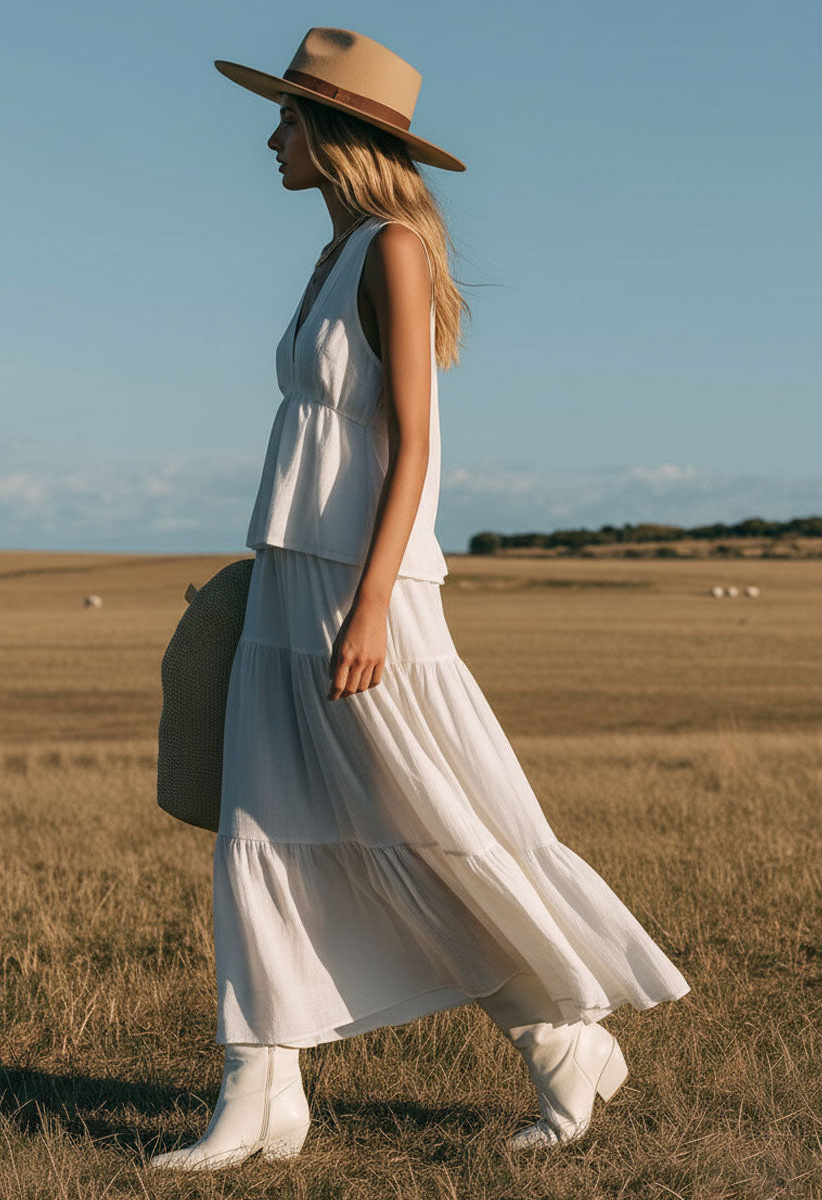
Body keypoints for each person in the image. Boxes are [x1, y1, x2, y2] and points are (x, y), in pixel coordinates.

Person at [150, 27, 690, 1172]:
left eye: (288, 118)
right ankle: (261, 1093)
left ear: (335, 133)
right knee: (264, 825)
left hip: (362, 584)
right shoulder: (332, 256)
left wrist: (378, 601)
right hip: (295, 576)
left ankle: (561, 1035)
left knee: (433, 821)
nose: (271, 137)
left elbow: (414, 444)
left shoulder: (392, 250)